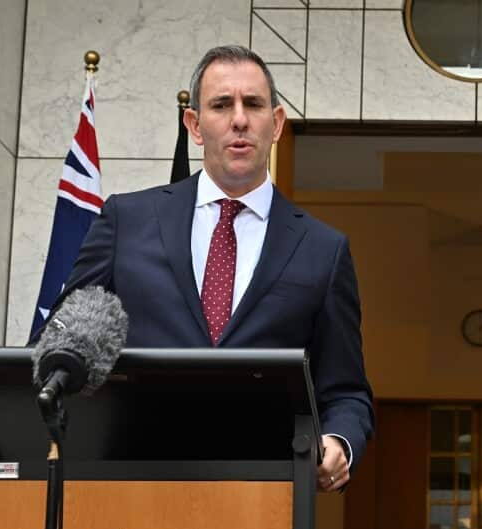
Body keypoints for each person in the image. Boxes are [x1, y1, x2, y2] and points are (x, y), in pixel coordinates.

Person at [53, 45, 372, 490]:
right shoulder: (127, 221)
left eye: (253, 104)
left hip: (263, 499)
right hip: (128, 485)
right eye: (221, 105)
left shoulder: (324, 249)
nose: (239, 119)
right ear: (195, 125)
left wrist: (338, 442)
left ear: (276, 124)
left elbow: (346, 391)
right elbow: (63, 340)